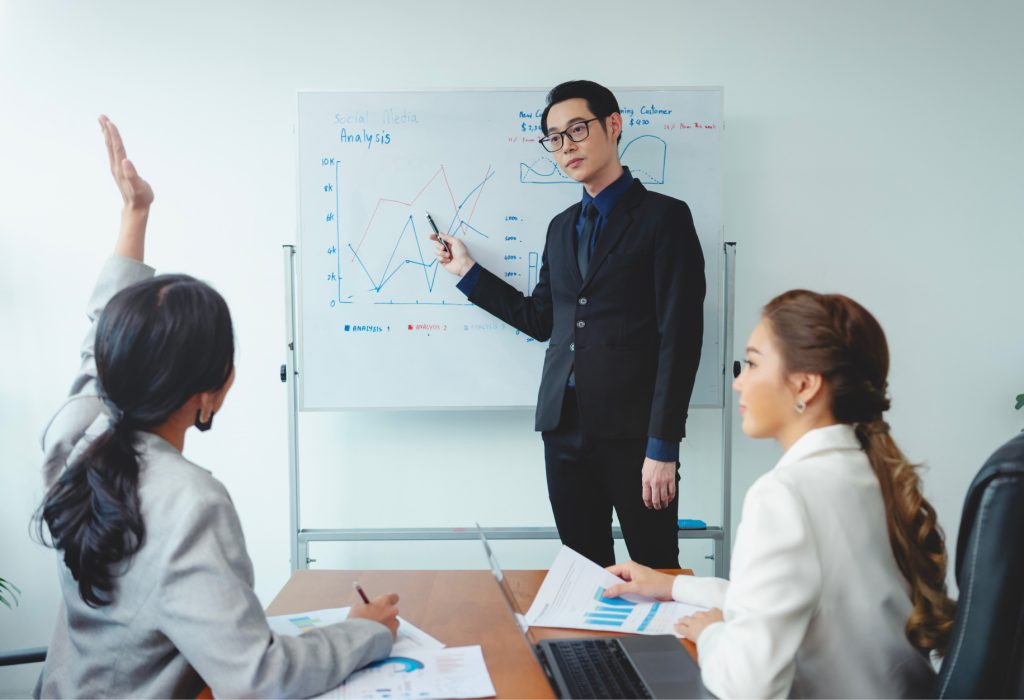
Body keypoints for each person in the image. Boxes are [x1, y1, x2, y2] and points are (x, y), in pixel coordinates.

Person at [32, 116, 400, 698]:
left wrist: (135, 213)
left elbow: (98, 337)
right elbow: (259, 678)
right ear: (216, 388)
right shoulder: (189, 503)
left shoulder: (77, 435)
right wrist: (364, 634)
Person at [605, 290, 957, 698]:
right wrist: (673, 587)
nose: (738, 382)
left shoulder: (785, 496)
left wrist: (713, 633)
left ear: (804, 385)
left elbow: (747, 687)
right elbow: (780, 605)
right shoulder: (871, 471)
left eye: (752, 363)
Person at [434, 80, 705, 568]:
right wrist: (468, 272)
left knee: (655, 568)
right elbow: (542, 320)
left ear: (614, 126)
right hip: (563, 427)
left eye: (576, 129)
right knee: (582, 574)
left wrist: (663, 446)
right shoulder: (562, 226)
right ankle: (591, 649)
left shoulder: (664, 219)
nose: (566, 146)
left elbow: (680, 339)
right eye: (554, 138)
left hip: (636, 434)